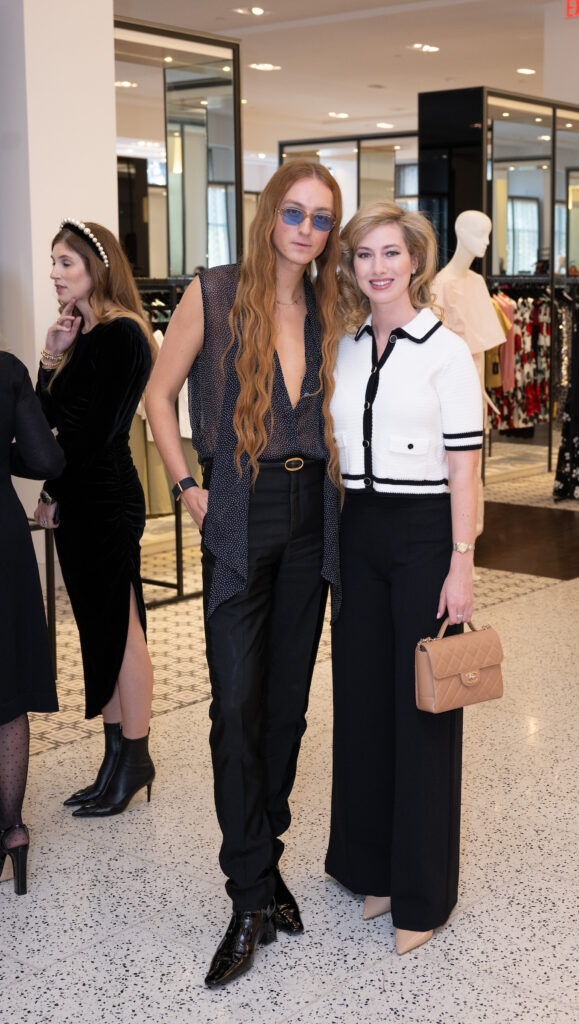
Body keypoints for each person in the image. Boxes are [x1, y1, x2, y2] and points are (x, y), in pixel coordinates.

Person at [145, 159, 343, 987]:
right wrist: (185, 487)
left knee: (286, 710)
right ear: (269, 214)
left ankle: (265, 866)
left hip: (312, 516)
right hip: (237, 504)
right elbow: (158, 396)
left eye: (321, 218)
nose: (305, 229)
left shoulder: (333, 305)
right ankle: (247, 895)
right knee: (234, 706)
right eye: (293, 212)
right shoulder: (216, 291)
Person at [325, 201, 482, 955]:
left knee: (422, 708)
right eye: (364, 255)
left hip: (424, 534)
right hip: (357, 529)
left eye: (391, 252)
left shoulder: (446, 350)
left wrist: (462, 560)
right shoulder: (346, 347)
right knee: (361, 704)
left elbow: (464, 467)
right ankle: (373, 871)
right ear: (351, 266)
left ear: (414, 261)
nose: (378, 267)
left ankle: (422, 892)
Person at [35, 219, 156, 817]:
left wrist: (52, 488)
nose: (54, 273)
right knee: (98, 631)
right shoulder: (81, 333)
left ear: (97, 267)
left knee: (122, 629)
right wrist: (51, 356)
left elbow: (91, 433)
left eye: (66, 262)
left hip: (105, 498)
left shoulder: (122, 334)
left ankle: (135, 759)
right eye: (53, 262)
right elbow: (42, 421)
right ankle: (113, 760)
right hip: (82, 496)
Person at [0, 350, 65, 894]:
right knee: (9, 687)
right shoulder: (6, 370)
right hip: (3, 544)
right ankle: (13, 831)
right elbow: (47, 458)